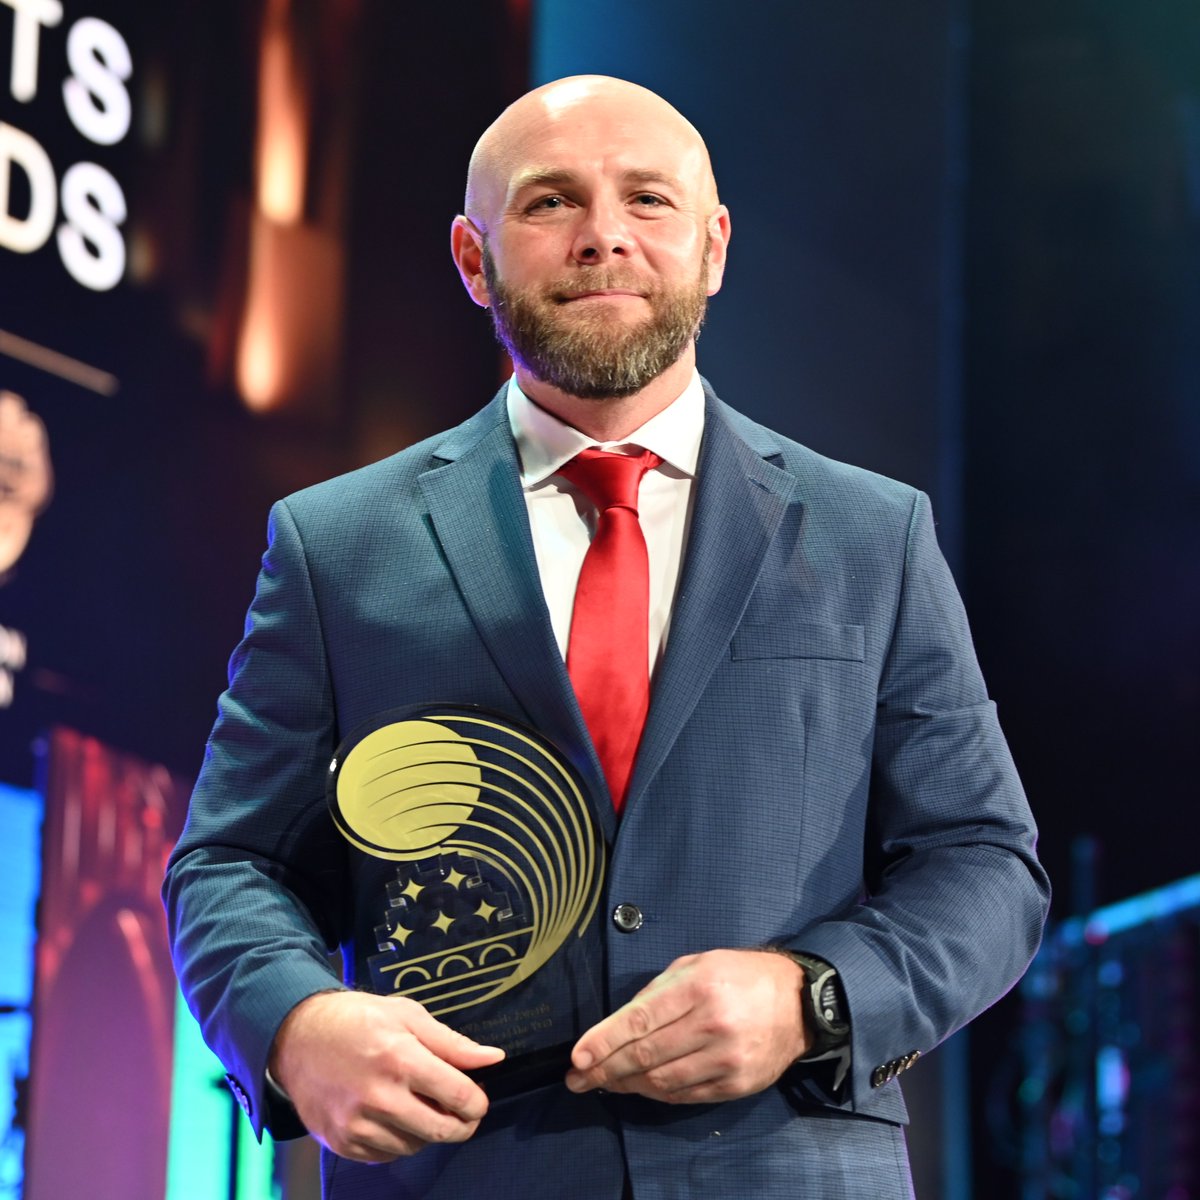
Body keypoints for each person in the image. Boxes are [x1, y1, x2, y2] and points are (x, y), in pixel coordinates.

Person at [165, 75, 1050, 1199]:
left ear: (715, 245)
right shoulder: (337, 543)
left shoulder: (875, 536)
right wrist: (294, 1024)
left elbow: (984, 863)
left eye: (647, 199)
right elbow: (231, 861)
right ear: (473, 259)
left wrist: (813, 996)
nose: (603, 238)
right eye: (548, 204)